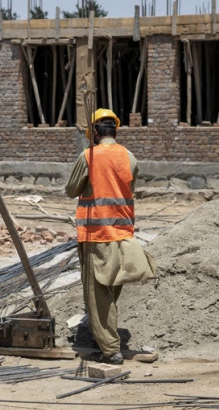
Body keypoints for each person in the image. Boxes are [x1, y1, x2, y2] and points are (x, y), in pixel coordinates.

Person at [65, 108, 153, 365]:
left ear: (94, 132)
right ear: (115, 130)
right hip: (123, 235)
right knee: (112, 290)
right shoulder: (130, 157)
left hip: (96, 235)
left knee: (97, 294)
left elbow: (71, 189)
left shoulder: (88, 156)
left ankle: (109, 348)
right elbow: (129, 189)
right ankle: (105, 335)